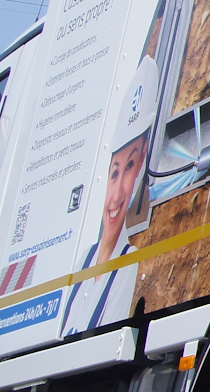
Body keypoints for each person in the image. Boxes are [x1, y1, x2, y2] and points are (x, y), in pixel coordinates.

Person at [62, 55, 158, 335]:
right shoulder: (84, 260)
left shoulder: (128, 263)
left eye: (129, 169)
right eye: (115, 171)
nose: (116, 195)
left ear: (141, 170)